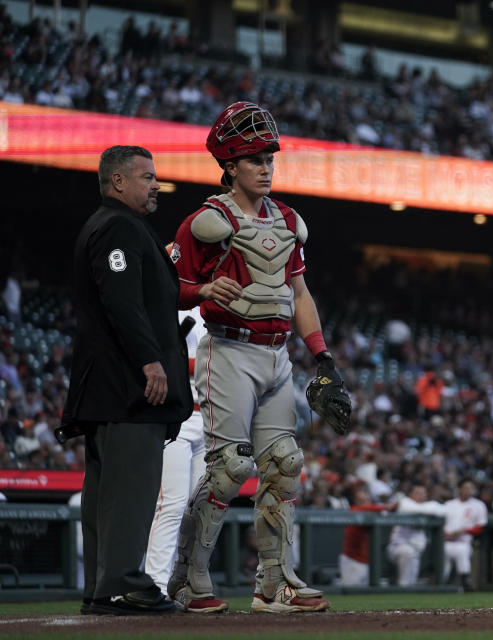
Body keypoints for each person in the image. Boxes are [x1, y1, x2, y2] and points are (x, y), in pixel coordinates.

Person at [167, 101, 351, 614]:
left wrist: (324, 359)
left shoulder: (289, 219)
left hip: (276, 355)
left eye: (269, 158)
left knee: (285, 464)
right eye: (254, 160)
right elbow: (169, 286)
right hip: (227, 348)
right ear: (229, 165)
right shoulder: (207, 220)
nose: (266, 167)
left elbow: (300, 293)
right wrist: (204, 287)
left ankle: (274, 582)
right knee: (229, 468)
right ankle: (187, 577)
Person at [60, 145, 192, 615]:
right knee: (132, 490)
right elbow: (122, 301)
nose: (156, 184)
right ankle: (123, 584)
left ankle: (103, 587)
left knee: (104, 494)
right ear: (119, 181)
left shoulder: (109, 224)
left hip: (105, 388)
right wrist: (150, 361)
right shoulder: (118, 226)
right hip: (126, 387)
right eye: (147, 176)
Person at [143, 302, 209, 596]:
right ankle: (154, 584)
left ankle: (185, 584)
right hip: (176, 416)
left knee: (200, 509)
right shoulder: (168, 305)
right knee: (172, 503)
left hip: (210, 419)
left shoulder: (216, 308)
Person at [387, 484, 446, 586]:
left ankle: (406, 594)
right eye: (418, 493)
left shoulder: (426, 506)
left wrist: (427, 508)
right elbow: (407, 507)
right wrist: (429, 509)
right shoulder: (405, 502)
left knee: (412, 580)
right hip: (397, 547)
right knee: (407, 556)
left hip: (415, 550)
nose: (421, 496)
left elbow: (443, 511)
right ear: (410, 494)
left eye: (423, 493)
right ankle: (402, 590)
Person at [339, 485, 395, 587]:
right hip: (352, 561)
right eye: (361, 500)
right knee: (351, 595)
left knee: (364, 597)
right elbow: (365, 508)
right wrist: (387, 507)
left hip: (365, 562)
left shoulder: (371, 511)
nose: (365, 503)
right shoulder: (353, 510)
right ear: (356, 501)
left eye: (366, 500)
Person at [443, 479, 487, 592]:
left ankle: (464, 584)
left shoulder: (478, 505)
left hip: (464, 541)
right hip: (446, 541)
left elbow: (480, 526)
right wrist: (446, 534)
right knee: (444, 567)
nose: (469, 490)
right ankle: (443, 585)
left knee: (462, 552)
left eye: (471, 488)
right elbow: (440, 525)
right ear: (459, 489)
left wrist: (463, 531)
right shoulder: (449, 504)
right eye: (466, 487)